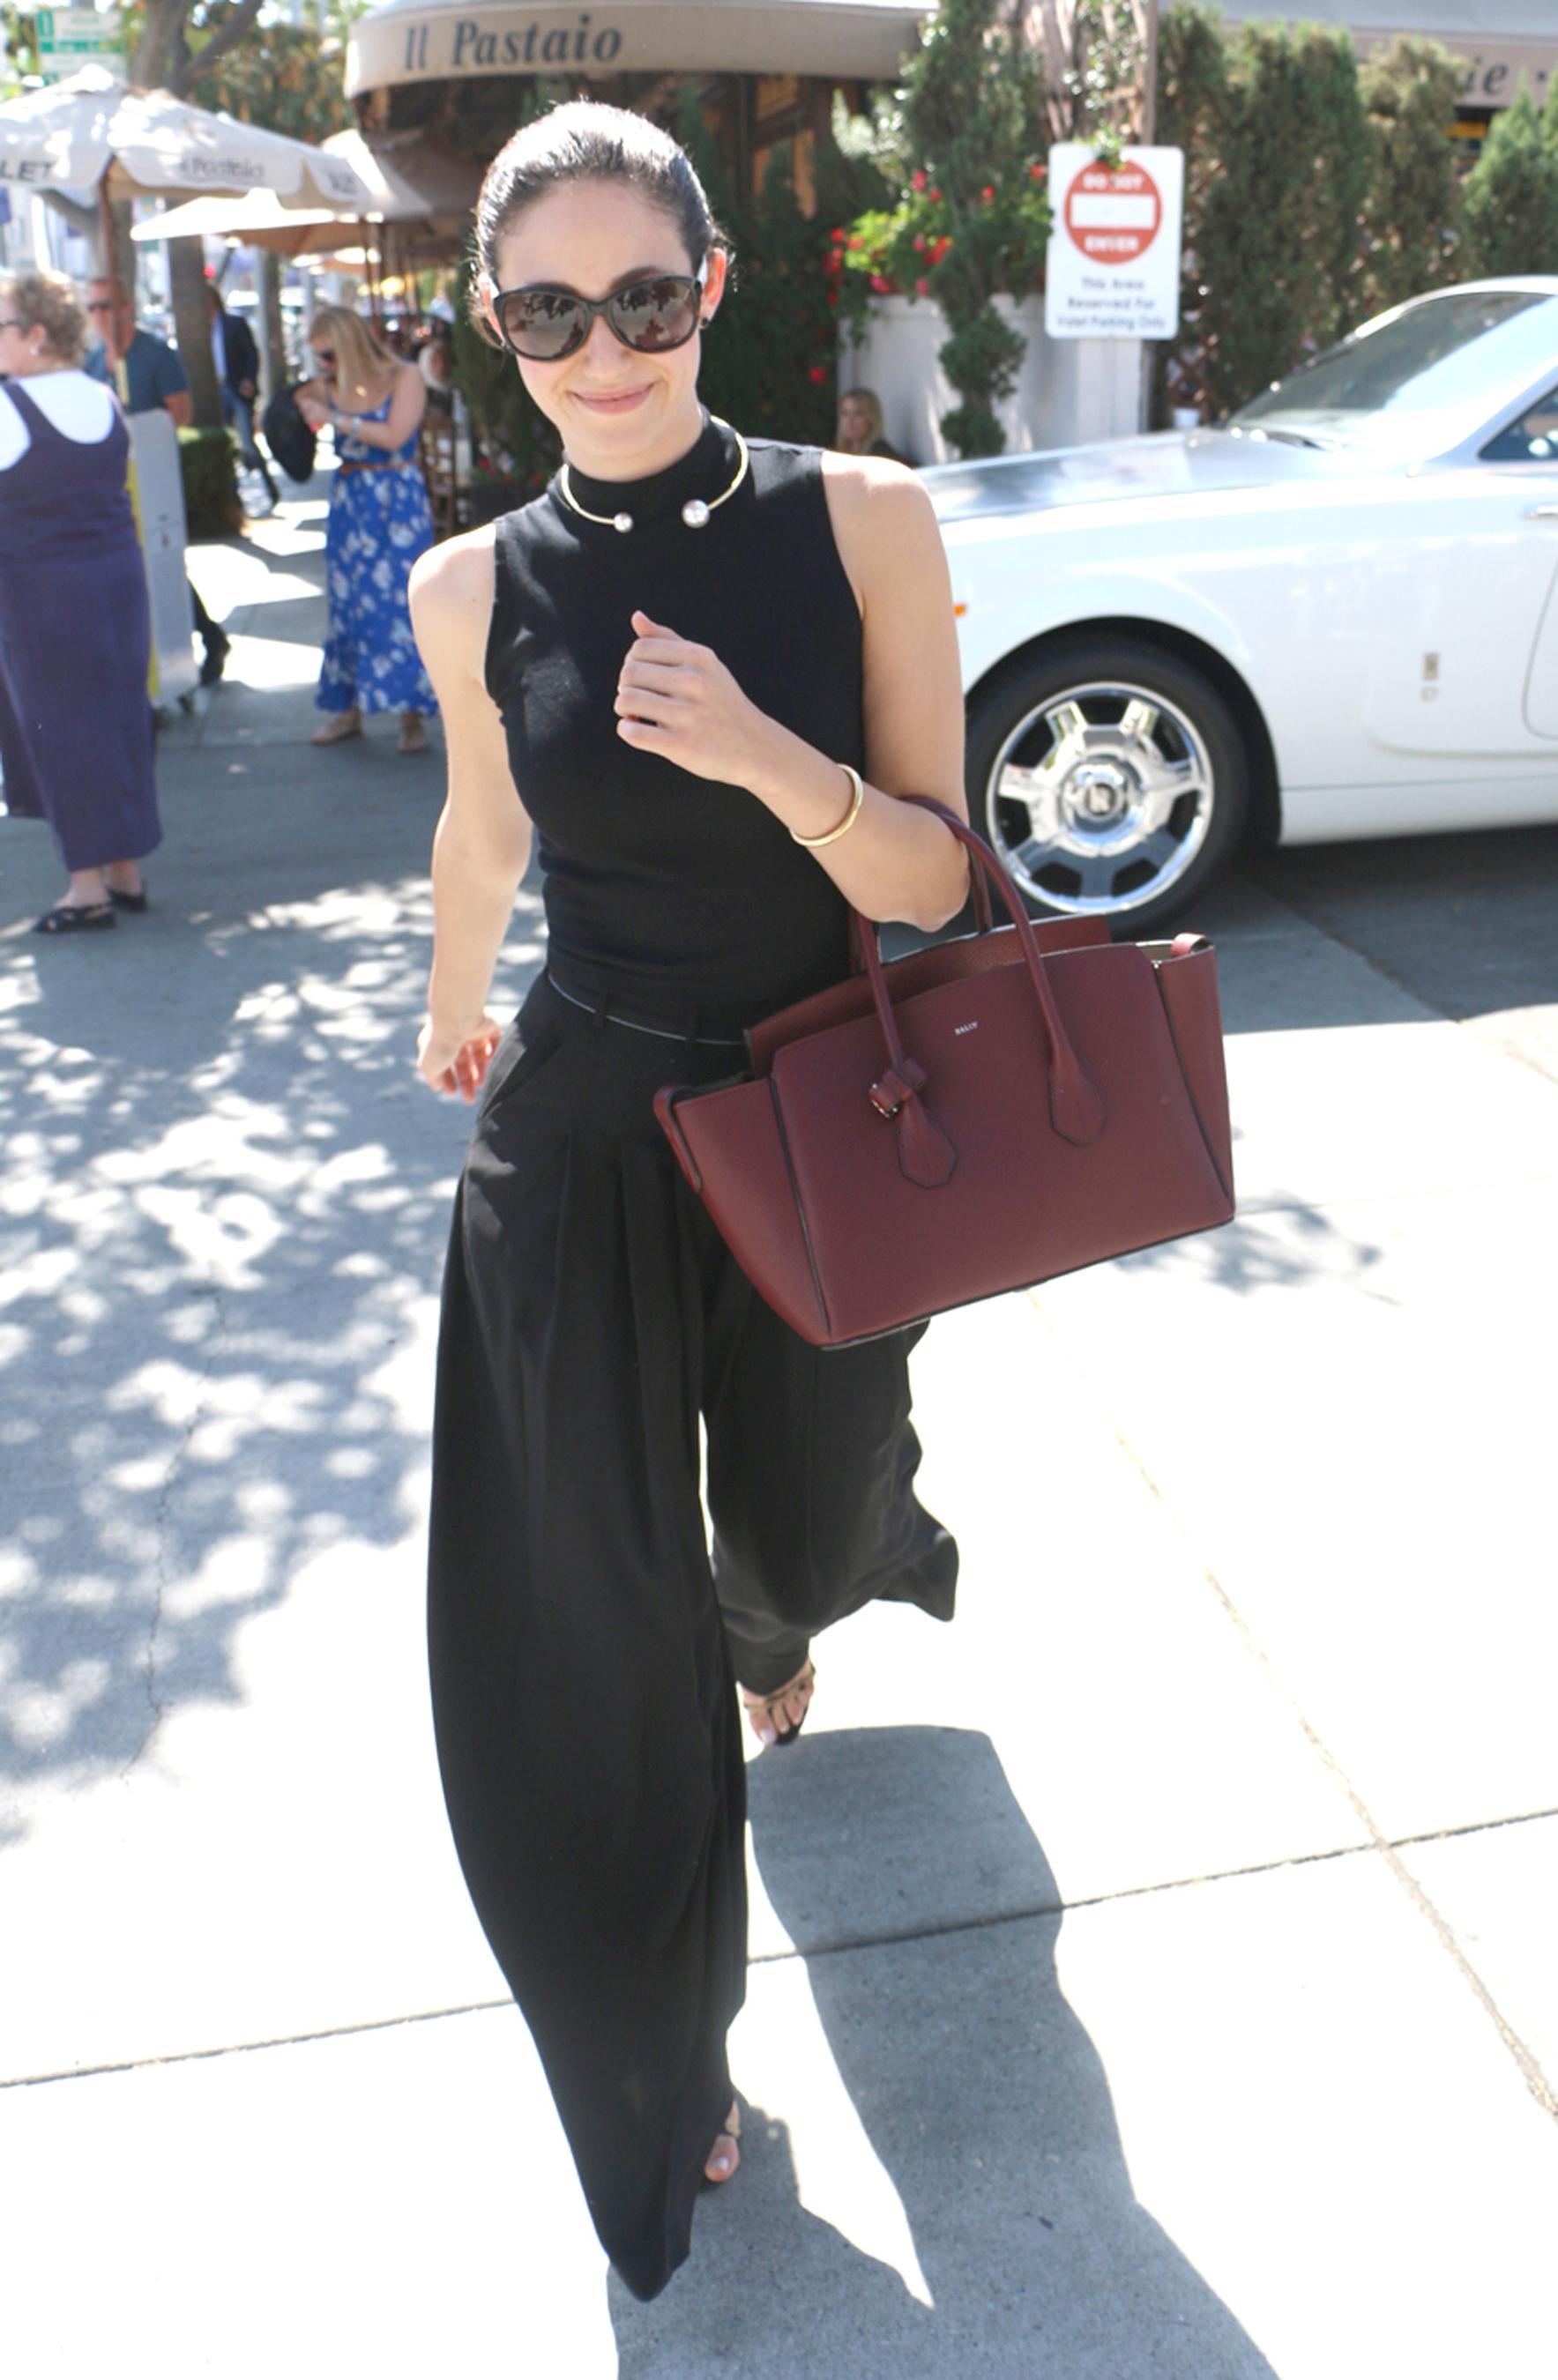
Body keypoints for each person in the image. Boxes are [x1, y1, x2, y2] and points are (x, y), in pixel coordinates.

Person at [406, 99, 969, 2302]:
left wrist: (768, 761)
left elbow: (932, 877)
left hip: (821, 1110)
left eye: (643, 297)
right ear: (494, 326)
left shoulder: (863, 519)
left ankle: (785, 1616)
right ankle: (660, 2055)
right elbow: (482, 829)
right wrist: (452, 1005)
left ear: (712, 286)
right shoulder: (473, 583)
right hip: (580, 1139)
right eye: (547, 313)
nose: (602, 351)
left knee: (799, 1534)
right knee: (587, 1643)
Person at [0, 272, 160, 933]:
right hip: (117, 581)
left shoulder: (8, 407)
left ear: (36, 334)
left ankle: (86, 888)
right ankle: (124, 871)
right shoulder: (102, 395)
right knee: (119, 723)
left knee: (61, 732)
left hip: (41, 593)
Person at [295, 306, 437, 755]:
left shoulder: (404, 376)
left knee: (403, 605)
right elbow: (284, 409)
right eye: (318, 357)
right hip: (351, 503)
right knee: (347, 606)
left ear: (350, 347)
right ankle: (348, 710)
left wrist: (335, 417)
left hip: (397, 503)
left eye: (329, 355)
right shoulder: (328, 383)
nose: (323, 365)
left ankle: (411, 717)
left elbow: (395, 436)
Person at [84, 276, 230, 686]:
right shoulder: (92, 363)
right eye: (92, 307)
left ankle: (206, 638)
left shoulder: (155, 354)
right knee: (137, 565)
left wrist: (141, 432)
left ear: (126, 307)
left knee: (161, 562)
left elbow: (180, 412)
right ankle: (196, 641)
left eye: (106, 305)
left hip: (153, 477)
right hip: (112, 483)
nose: (99, 315)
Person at [206, 280, 278, 507]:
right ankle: (234, 498)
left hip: (236, 389)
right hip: (216, 392)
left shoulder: (234, 323)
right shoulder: (200, 330)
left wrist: (249, 380)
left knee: (247, 442)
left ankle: (269, 488)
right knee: (226, 446)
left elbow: (251, 354)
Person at [836, 383, 910, 465]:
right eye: (845, 413)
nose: (849, 421)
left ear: (871, 418)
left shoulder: (881, 455)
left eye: (857, 414)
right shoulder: (841, 453)